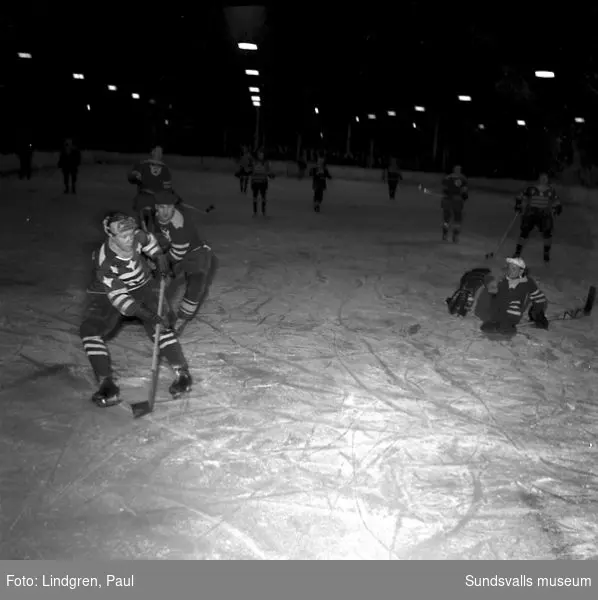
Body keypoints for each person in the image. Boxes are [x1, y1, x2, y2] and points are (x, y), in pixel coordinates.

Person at [79, 212, 192, 407]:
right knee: (90, 332)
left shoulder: (135, 236)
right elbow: (120, 299)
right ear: (111, 236)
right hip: (112, 295)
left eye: (131, 234)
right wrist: (147, 315)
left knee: (162, 327)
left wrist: (159, 258)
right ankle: (107, 383)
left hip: (143, 286)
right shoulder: (105, 262)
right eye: (124, 236)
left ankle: (183, 374)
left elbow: (148, 240)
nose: (130, 239)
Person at [152, 190, 218, 335]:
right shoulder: (157, 217)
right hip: (178, 250)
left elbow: (177, 253)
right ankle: (160, 315)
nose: (165, 212)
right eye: (162, 207)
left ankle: (181, 320)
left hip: (197, 255)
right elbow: (163, 237)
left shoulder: (179, 226)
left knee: (195, 286)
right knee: (158, 283)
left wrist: (164, 262)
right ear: (156, 207)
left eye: (169, 207)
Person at [446, 257, 548, 337]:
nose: (510, 271)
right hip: (491, 308)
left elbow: (538, 298)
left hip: (507, 316)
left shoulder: (527, 283)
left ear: (521, 271)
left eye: (513, 269)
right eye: (509, 268)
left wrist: (538, 313)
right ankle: (464, 298)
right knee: (476, 281)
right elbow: (491, 282)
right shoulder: (503, 280)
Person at [512, 172, 562, 263]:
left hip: (544, 213)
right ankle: (517, 252)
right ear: (539, 179)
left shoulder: (550, 190)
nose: (543, 179)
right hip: (531, 212)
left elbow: (556, 200)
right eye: (542, 178)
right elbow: (521, 196)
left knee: (547, 234)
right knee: (524, 232)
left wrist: (557, 208)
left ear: (547, 180)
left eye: (545, 178)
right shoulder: (531, 189)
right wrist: (518, 204)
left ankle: (546, 253)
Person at [127, 146, 175, 232]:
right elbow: (131, 178)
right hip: (148, 198)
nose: (159, 154)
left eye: (160, 152)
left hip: (152, 199)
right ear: (152, 152)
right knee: (149, 220)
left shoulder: (163, 168)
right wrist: (134, 176)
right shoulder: (143, 165)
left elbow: (167, 187)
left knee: (153, 221)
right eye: (157, 152)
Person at [441, 165, 469, 243]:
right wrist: (464, 197)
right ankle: (455, 236)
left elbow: (444, 189)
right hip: (457, 200)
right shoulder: (463, 178)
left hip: (447, 200)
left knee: (446, 219)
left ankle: (445, 234)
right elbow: (464, 192)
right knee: (457, 219)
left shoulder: (447, 177)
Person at [249, 149, 274, 217]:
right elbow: (251, 171)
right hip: (255, 182)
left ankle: (263, 211)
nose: (261, 156)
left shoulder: (266, 163)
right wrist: (252, 181)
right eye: (260, 154)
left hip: (263, 182)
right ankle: (255, 212)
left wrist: (271, 175)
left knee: (263, 197)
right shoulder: (254, 162)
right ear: (258, 155)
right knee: (255, 197)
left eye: (262, 154)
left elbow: (269, 172)